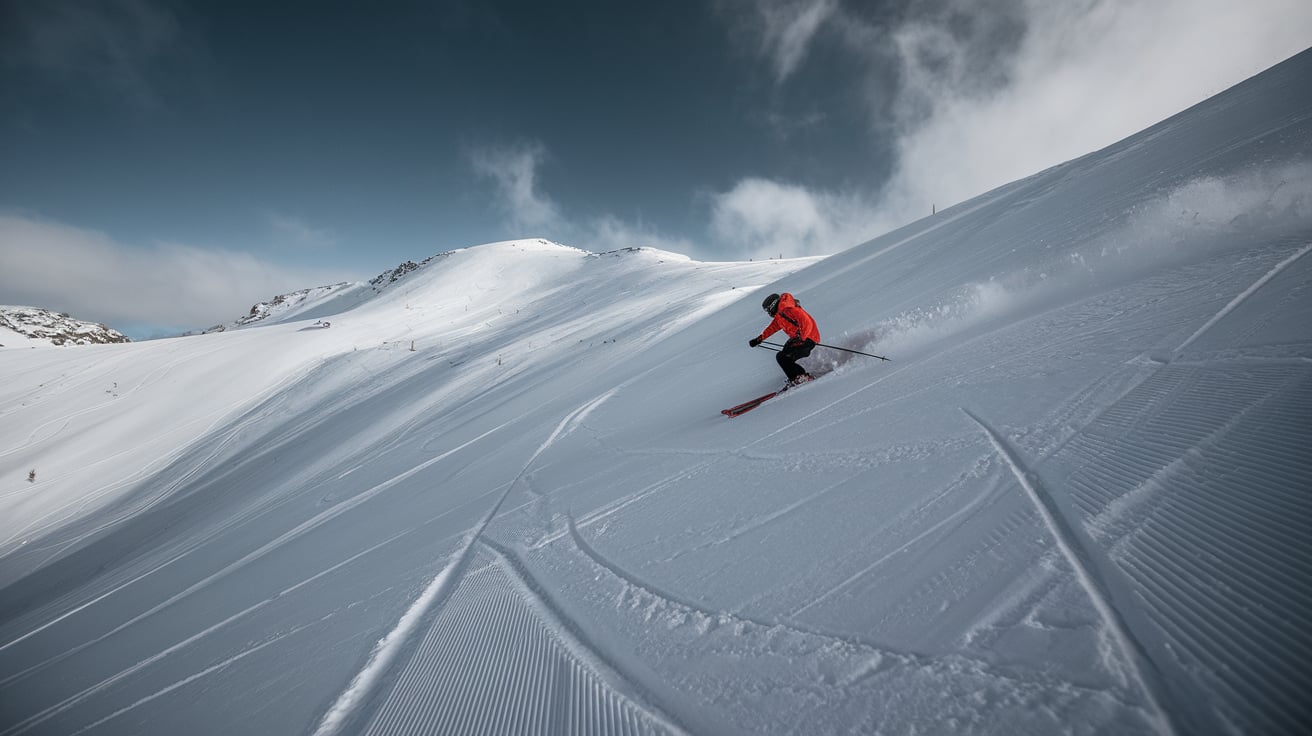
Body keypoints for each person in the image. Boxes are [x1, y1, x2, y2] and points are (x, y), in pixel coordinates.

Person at [749, 292, 819, 386]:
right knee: (783, 356)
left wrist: (801, 338)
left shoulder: (789, 309)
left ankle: (801, 377)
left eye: (768, 310)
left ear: (773, 305)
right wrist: (760, 339)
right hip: (800, 338)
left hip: (808, 338)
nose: (769, 313)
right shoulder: (780, 314)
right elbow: (773, 327)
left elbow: (807, 322)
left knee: (783, 357)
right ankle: (797, 377)